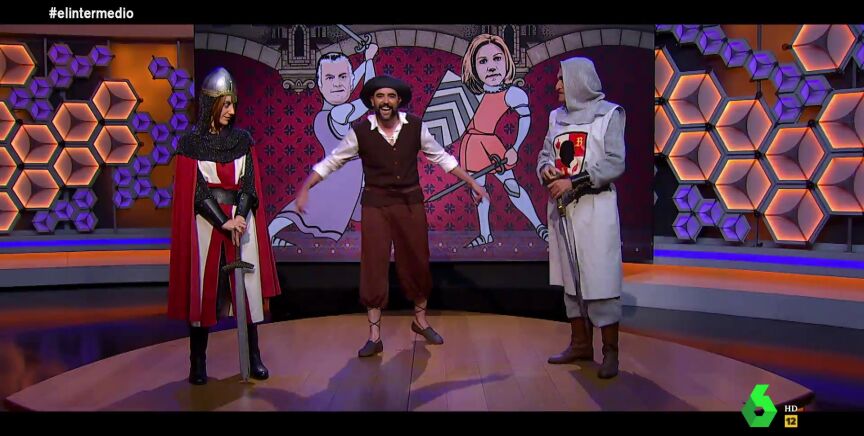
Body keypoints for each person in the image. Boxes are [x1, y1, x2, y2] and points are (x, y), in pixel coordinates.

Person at [294, 75, 488, 357]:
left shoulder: (416, 127)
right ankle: (374, 337)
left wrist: (472, 182)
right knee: (373, 266)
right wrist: (305, 187)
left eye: (391, 96)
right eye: (380, 96)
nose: (385, 101)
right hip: (376, 205)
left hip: (410, 203)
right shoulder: (360, 132)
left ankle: (420, 321)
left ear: (398, 101)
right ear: (372, 101)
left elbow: (443, 158)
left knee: (417, 261)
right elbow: (332, 162)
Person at [168, 67, 282, 384]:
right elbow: (196, 191)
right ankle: (198, 362)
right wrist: (223, 221)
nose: (231, 111)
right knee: (203, 291)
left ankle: (254, 357)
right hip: (207, 224)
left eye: (233, 104)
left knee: (248, 289)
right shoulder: (191, 143)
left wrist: (240, 216)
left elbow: (249, 185)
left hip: (241, 222)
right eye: (226, 104)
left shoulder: (242, 141)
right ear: (211, 104)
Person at [537, 57, 625, 379]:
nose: (557, 85)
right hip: (564, 211)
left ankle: (610, 352)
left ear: (579, 80)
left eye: (562, 79)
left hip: (595, 210)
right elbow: (545, 153)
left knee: (600, 279)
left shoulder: (609, 115)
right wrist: (546, 169)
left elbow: (615, 162)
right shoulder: (556, 117)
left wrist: (573, 182)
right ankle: (580, 344)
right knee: (571, 281)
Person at [269, 46, 378, 245]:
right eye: (329, 78)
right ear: (320, 84)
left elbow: (350, 84)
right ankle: (268, 236)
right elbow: (369, 98)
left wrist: (364, 63)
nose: (337, 83)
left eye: (342, 77)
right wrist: (369, 61)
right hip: (339, 179)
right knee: (307, 209)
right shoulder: (337, 114)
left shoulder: (334, 112)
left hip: (350, 179)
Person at [459, 34, 546, 248]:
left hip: (491, 146)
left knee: (512, 187)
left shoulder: (512, 94)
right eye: (483, 61)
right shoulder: (466, 94)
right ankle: (485, 234)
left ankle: (539, 226)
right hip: (471, 147)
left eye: (497, 58)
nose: (491, 67)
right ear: (473, 66)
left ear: (506, 61)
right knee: (479, 192)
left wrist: (514, 148)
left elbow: (524, 118)